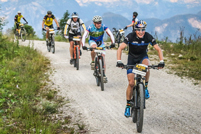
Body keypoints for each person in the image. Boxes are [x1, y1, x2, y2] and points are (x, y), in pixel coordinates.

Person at [117, 20, 165, 117]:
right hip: (131, 60)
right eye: (138, 30)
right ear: (135, 30)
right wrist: (119, 61)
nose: (141, 32)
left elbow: (158, 49)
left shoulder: (148, 36)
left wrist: (161, 61)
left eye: (143, 29)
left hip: (142, 58)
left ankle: (145, 87)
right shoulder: (130, 36)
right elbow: (120, 48)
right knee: (131, 83)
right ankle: (128, 105)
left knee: (147, 65)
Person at [82, 15, 115, 83]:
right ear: (94, 23)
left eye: (100, 22)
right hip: (92, 41)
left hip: (100, 42)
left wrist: (113, 43)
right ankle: (93, 61)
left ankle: (104, 75)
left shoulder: (103, 26)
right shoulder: (90, 27)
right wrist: (83, 45)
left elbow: (110, 34)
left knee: (103, 57)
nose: (99, 24)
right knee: (93, 47)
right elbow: (84, 36)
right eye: (97, 23)